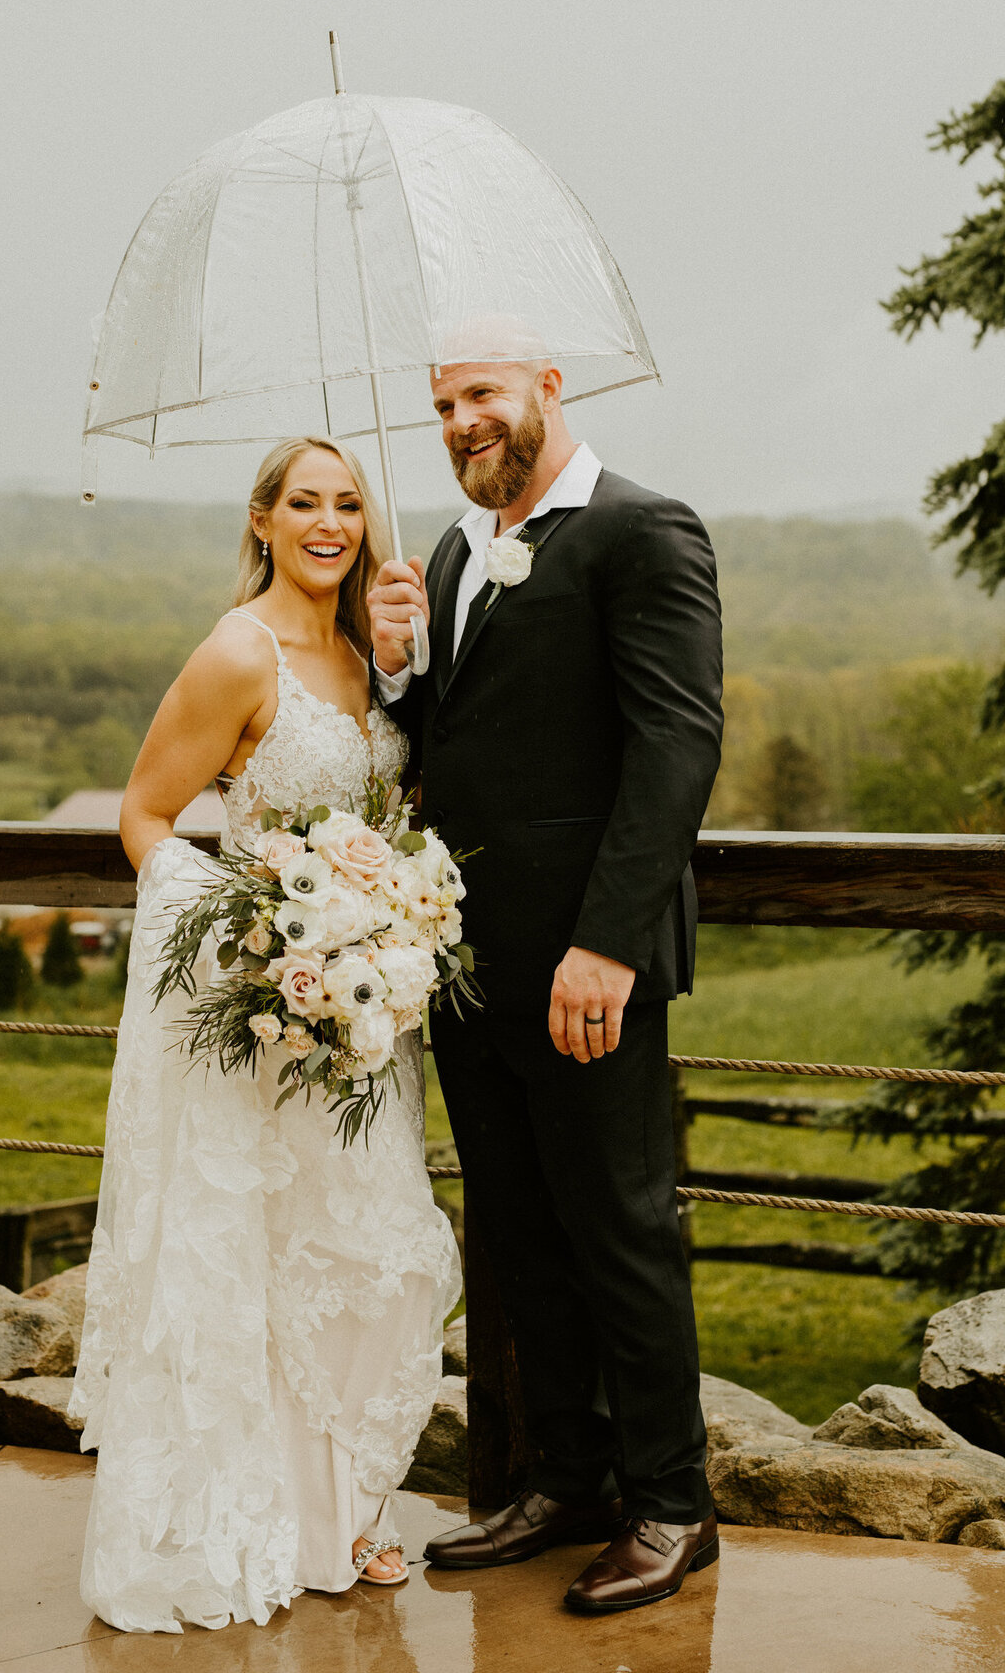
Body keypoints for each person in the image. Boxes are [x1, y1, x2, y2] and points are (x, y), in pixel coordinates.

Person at [70, 436, 461, 1634]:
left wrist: (407, 659)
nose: (331, 522)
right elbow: (145, 816)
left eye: (350, 503)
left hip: (363, 1021)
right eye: (306, 503)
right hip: (265, 1013)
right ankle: (269, 1516)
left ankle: (349, 1501)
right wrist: (241, 934)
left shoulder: (364, 650)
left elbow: (396, 804)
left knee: (371, 1260)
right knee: (262, 1257)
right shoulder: (239, 650)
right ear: (264, 518)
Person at [367, 352, 724, 1615]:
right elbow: (448, 745)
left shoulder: (641, 528)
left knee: (621, 1230)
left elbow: (678, 745)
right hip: (467, 964)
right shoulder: (457, 557)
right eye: (446, 406)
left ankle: (673, 1505)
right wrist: (399, 664)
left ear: (548, 387)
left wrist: (610, 944)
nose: (464, 423)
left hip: (589, 967)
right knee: (519, 1229)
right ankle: (567, 1479)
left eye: (484, 395)